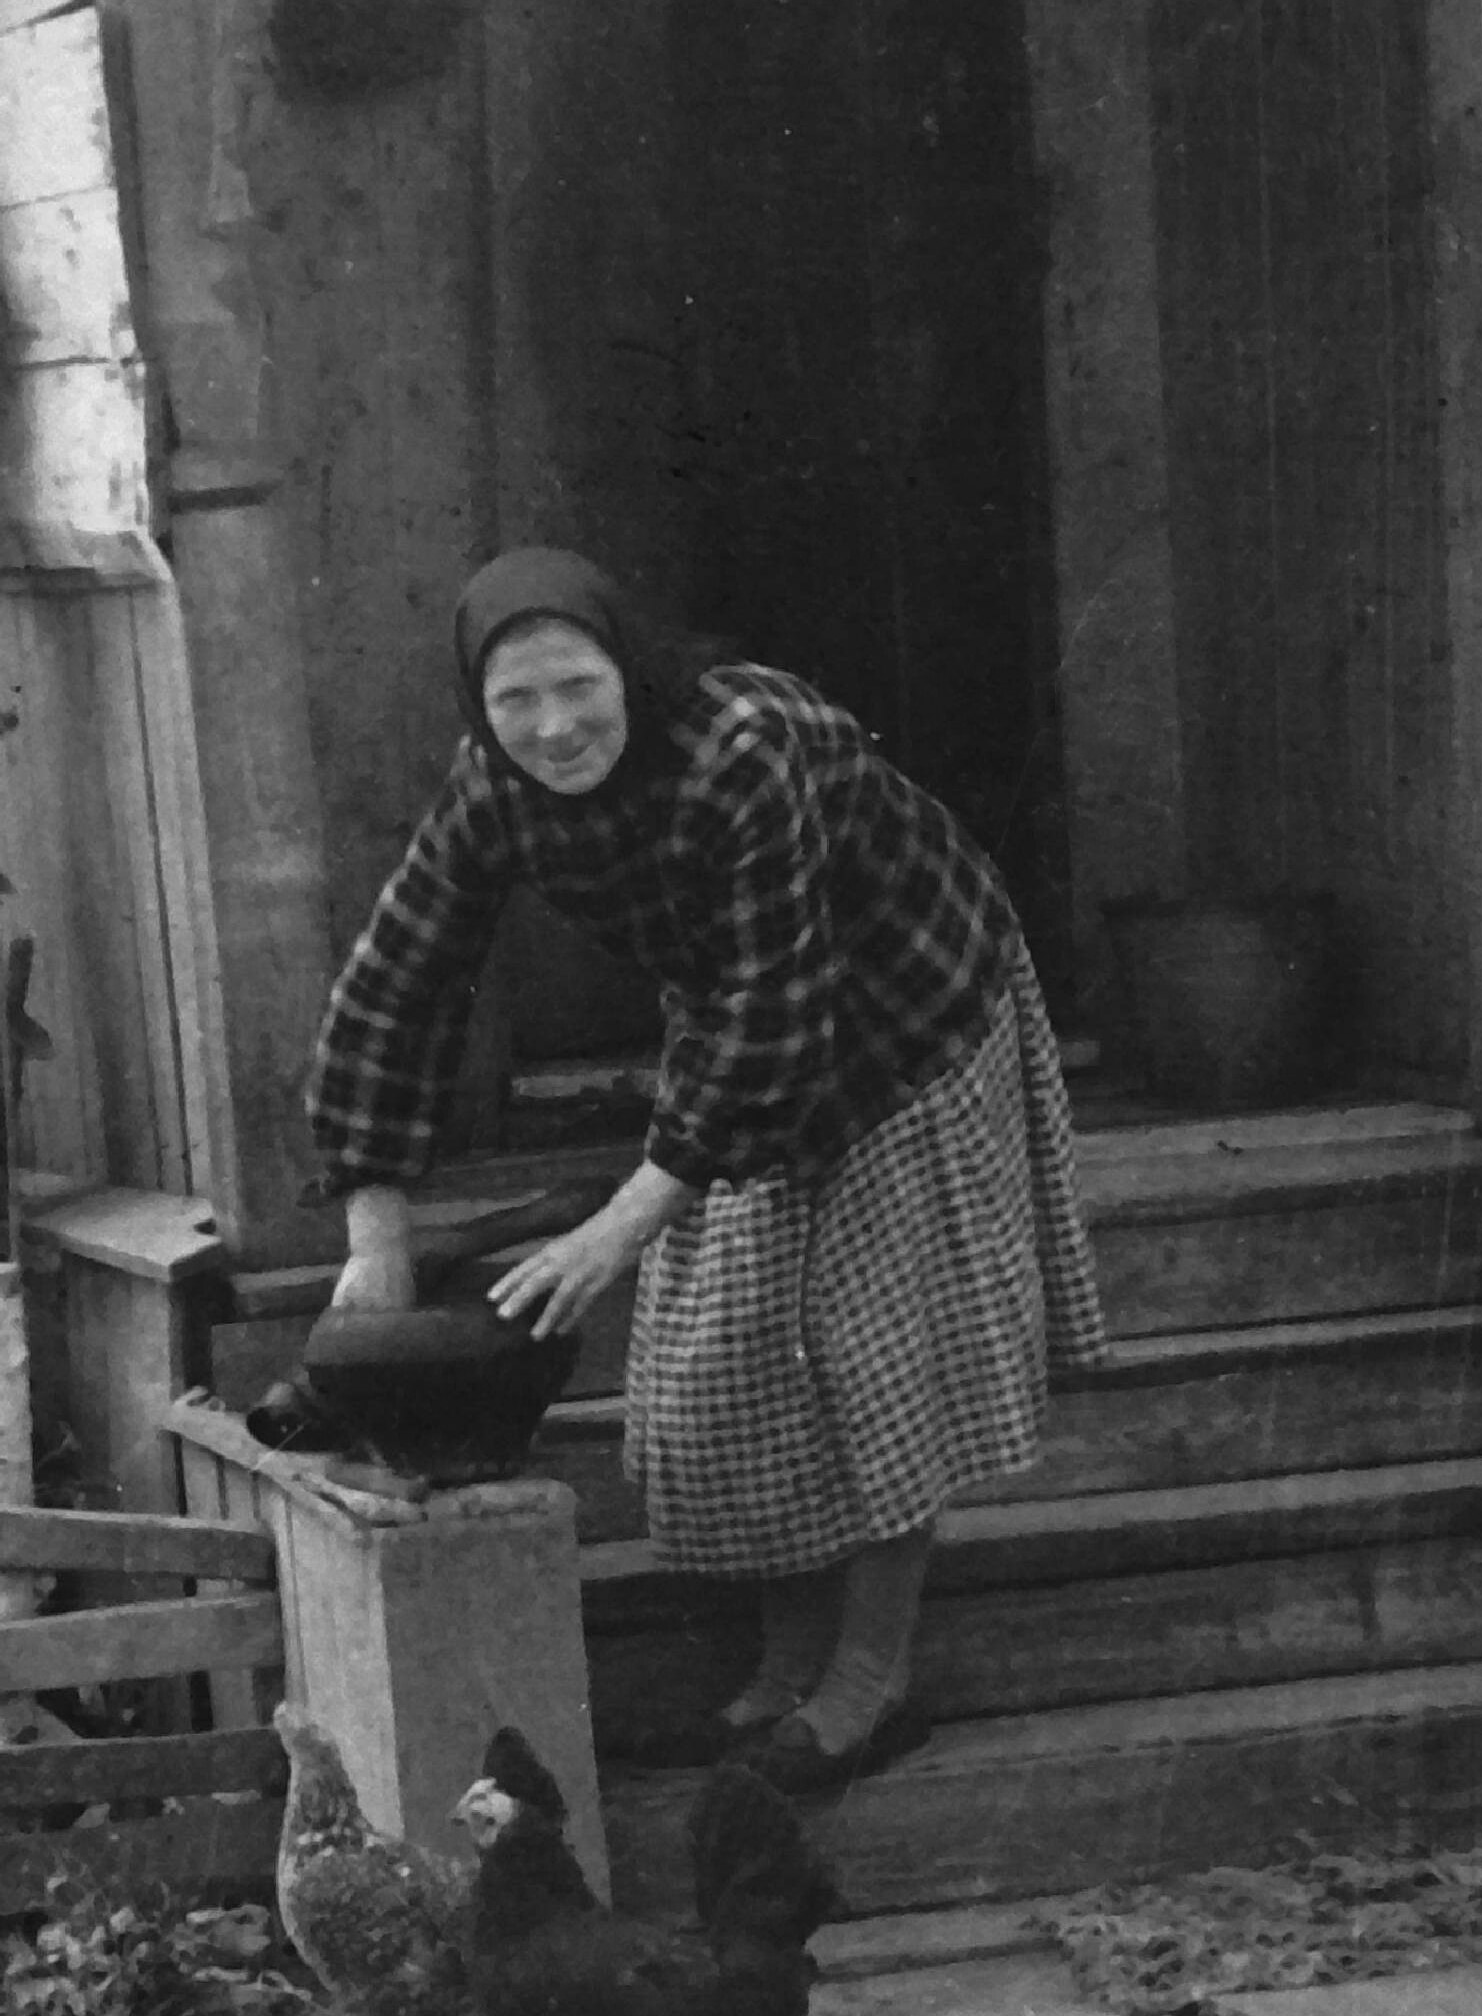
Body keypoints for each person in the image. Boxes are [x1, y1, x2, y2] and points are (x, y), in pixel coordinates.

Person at [303, 548, 1105, 1797]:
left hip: (910, 1006)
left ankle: (871, 1682)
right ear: (479, 706)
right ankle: (783, 1673)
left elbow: (774, 1010)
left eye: (579, 686)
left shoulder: (739, 750)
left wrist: (622, 1223)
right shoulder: (491, 790)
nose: (554, 727)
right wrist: (375, 1232)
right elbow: (393, 984)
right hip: (743, 1016)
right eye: (516, 701)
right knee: (732, 1360)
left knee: (875, 1347)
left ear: (629, 668)